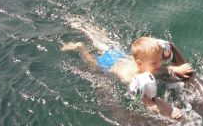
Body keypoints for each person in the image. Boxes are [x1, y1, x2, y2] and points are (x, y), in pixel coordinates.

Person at [60, 17, 192, 120]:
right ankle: (80, 47)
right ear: (140, 63)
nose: (159, 64)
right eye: (154, 63)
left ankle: (83, 28)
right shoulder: (132, 77)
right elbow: (137, 93)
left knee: (100, 41)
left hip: (117, 55)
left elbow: (160, 68)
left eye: (159, 60)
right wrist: (148, 103)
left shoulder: (147, 63)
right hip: (107, 65)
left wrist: (176, 69)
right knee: (91, 61)